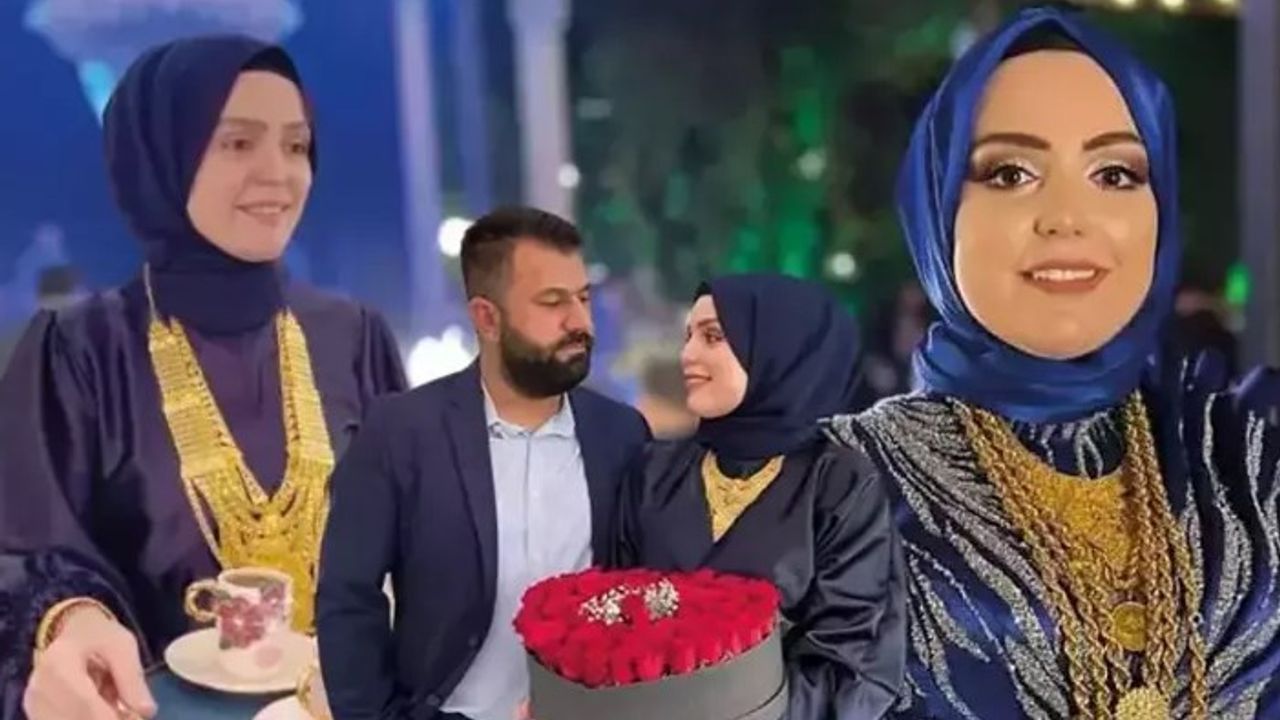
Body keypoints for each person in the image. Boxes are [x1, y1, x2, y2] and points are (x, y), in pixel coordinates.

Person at [824, 6, 1280, 718]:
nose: (1068, 216)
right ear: (937, 208)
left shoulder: (1245, 461)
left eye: (1116, 173)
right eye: (1010, 173)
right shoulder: (836, 488)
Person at [0, 36, 407, 720]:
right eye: (238, 143)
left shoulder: (353, 337)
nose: (279, 173)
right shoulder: (79, 352)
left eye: (297, 145)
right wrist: (71, 623)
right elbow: (27, 549)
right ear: (163, 157)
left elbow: (421, 530)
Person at [316, 207, 651, 720]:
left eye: (583, 298)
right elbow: (348, 599)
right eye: (553, 302)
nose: (580, 323)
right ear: (487, 318)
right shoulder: (401, 432)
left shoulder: (621, 435)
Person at [613, 274, 905, 719]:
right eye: (688, 336)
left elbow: (852, 663)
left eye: (713, 337)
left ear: (778, 349)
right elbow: (609, 617)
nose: (688, 354)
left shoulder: (838, 483)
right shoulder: (654, 471)